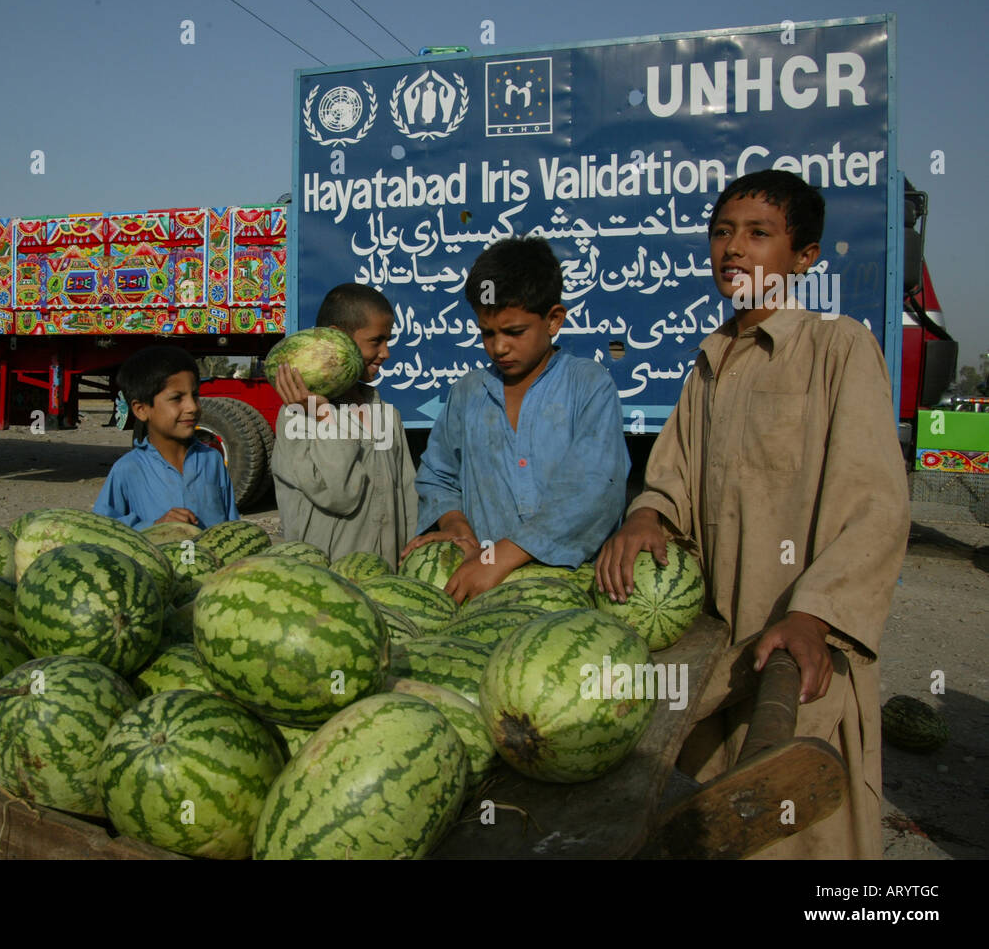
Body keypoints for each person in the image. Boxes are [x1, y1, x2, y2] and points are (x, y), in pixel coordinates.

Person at [595, 169, 909, 859]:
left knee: (800, 839)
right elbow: (669, 477)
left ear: (805, 257)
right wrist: (648, 515)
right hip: (718, 663)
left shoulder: (838, 347)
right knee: (709, 824)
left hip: (801, 662)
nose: (733, 249)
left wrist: (816, 611)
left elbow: (876, 507)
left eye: (759, 234)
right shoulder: (709, 361)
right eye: (722, 232)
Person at [403, 237, 629, 603]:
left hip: (571, 592)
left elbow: (592, 492)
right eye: (487, 333)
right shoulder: (468, 392)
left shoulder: (588, 385)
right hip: (485, 593)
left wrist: (502, 555)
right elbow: (439, 475)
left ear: (554, 319)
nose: (499, 347)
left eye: (514, 332)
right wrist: (456, 524)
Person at [271, 283, 417, 568]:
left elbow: (408, 499)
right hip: (326, 587)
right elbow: (338, 496)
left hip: (386, 580)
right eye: (376, 341)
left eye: (388, 340)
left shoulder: (387, 415)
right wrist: (325, 417)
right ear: (337, 339)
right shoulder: (296, 418)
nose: (385, 352)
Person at [93, 345, 238, 530]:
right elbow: (104, 529)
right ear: (141, 410)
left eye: (195, 395)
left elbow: (231, 525)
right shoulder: (128, 469)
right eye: (177, 398)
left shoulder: (212, 460)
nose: (192, 407)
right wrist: (155, 526)